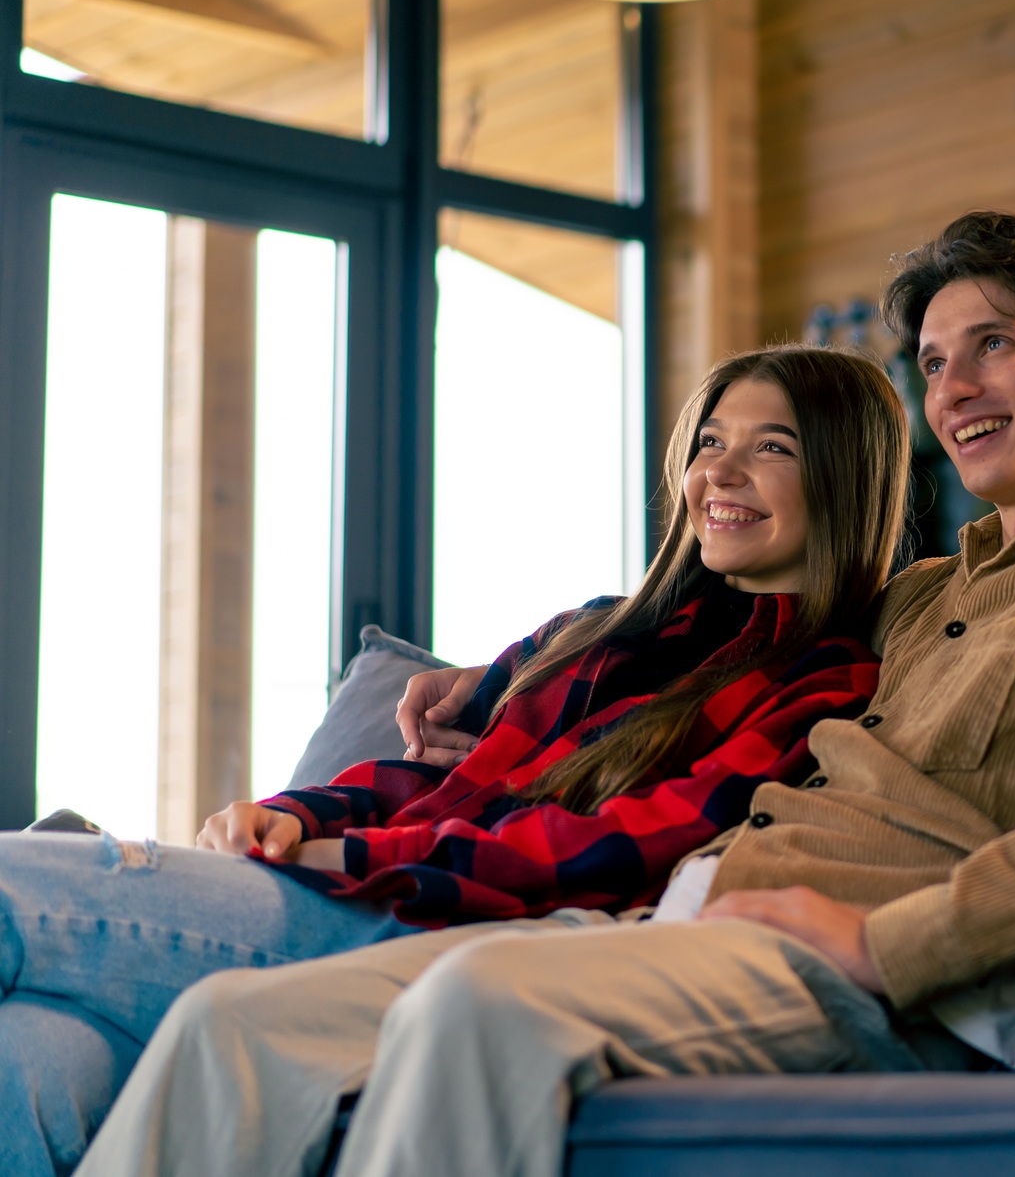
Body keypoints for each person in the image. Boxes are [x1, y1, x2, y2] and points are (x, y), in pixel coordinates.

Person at [79, 211, 1015, 1177]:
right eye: (930, 361)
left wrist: (891, 940)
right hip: (675, 924)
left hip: (858, 972)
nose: (952, 385)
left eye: (994, 345)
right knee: (233, 1023)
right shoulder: (920, 596)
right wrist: (495, 678)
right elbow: (717, 615)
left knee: (480, 1007)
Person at [3, 344, 907, 1177]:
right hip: (368, 882)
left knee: (21, 888)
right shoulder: (594, 629)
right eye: (711, 439)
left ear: (840, 475)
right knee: (28, 1054)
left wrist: (356, 857)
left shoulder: (823, 679)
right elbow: (443, 779)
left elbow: (622, 848)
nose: (722, 470)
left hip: (447, 919)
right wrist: (305, 812)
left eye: (773, 447)